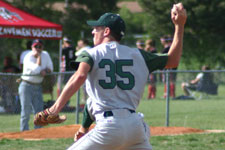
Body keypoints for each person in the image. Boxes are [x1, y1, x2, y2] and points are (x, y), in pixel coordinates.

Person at [46, 3, 186, 150]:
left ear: (106, 31)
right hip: (135, 126)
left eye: (96, 28)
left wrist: (54, 109)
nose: (93, 32)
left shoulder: (91, 53)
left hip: (108, 127)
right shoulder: (138, 54)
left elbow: (79, 76)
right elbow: (173, 60)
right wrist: (180, 26)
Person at [18, 39, 53, 131]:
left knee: (39, 111)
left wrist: (45, 70)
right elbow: (37, 70)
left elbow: (50, 68)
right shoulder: (28, 56)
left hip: (38, 85)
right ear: (32, 47)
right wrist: (38, 58)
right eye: (35, 46)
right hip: (26, 85)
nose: (38, 48)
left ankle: (38, 131)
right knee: (25, 111)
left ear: (43, 47)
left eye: (40, 46)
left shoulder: (46, 54)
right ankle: (24, 131)